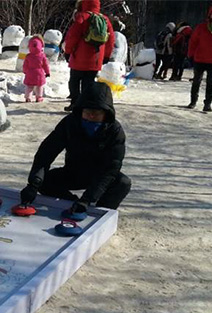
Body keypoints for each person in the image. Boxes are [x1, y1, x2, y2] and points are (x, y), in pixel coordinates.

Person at [19, 81, 131, 214]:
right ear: (81, 110)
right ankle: (71, 204)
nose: (91, 116)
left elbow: (110, 169)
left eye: (97, 113)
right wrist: (33, 184)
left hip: (99, 175)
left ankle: (99, 215)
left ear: (106, 114)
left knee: (123, 183)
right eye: (88, 111)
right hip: (74, 172)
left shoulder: (115, 132)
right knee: (43, 181)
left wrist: (87, 199)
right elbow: (46, 152)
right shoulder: (70, 124)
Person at [63, 0, 115, 112]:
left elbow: (73, 36)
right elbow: (111, 40)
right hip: (96, 59)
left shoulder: (81, 17)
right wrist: (106, 56)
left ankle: (75, 104)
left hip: (79, 58)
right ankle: (85, 106)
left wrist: (68, 51)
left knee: (74, 81)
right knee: (89, 83)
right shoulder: (105, 20)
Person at [23, 35, 51, 103]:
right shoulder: (42, 56)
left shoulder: (28, 56)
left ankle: (28, 97)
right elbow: (45, 65)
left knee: (29, 86)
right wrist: (47, 72)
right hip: (39, 73)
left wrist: (25, 71)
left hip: (30, 73)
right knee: (39, 86)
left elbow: (25, 65)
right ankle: (39, 97)